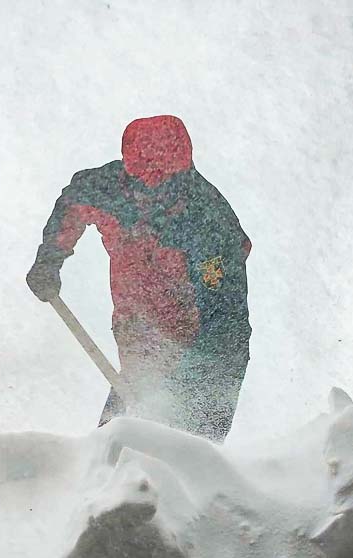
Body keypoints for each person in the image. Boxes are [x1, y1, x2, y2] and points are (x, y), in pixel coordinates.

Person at [26, 115, 251, 442]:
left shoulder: (208, 222)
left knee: (187, 452)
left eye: (162, 179)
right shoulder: (114, 189)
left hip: (209, 351)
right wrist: (50, 257)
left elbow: (224, 321)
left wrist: (176, 392)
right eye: (141, 177)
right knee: (114, 445)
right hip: (140, 330)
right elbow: (74, 202)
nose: (151, 187)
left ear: (182, 170)